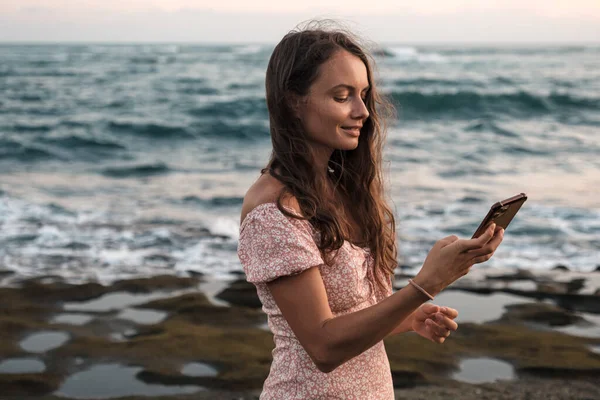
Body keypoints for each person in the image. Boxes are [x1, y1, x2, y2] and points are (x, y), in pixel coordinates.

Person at [237, 21, 504, 400]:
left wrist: (409, 317)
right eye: (342, 96)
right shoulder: (273, 209)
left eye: (363, 94)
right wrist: (424, 286)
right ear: (293, 102)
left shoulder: (341, 189)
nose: (362, 110)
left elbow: (352, 316)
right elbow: (323, 346)